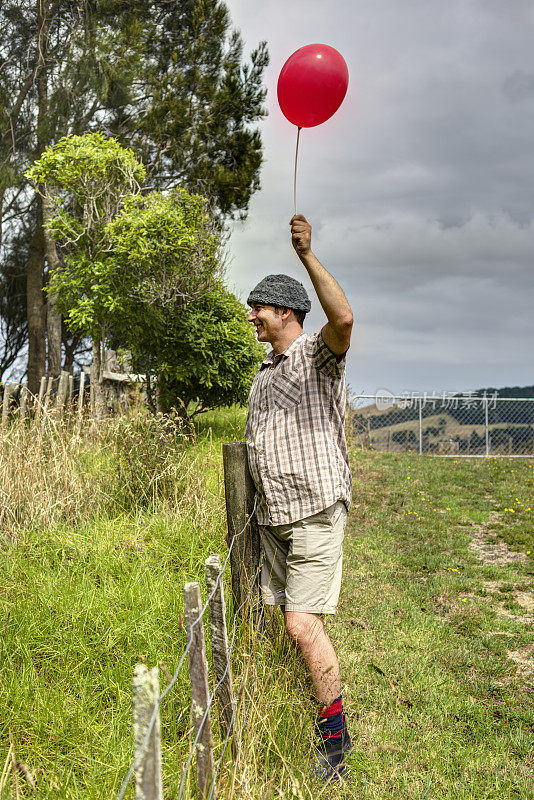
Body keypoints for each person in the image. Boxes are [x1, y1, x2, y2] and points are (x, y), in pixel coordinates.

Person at [244, 214, 353, 783]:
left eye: (259, 308)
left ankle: (335, 740)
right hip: (273, 521)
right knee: (289, 624)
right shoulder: (263, 376)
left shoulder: (317, 356)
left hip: (313, 511)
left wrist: (308, 255)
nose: (253, 317)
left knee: (299, 625)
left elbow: (345, 317)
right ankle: (308, 701)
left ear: (285, 311)